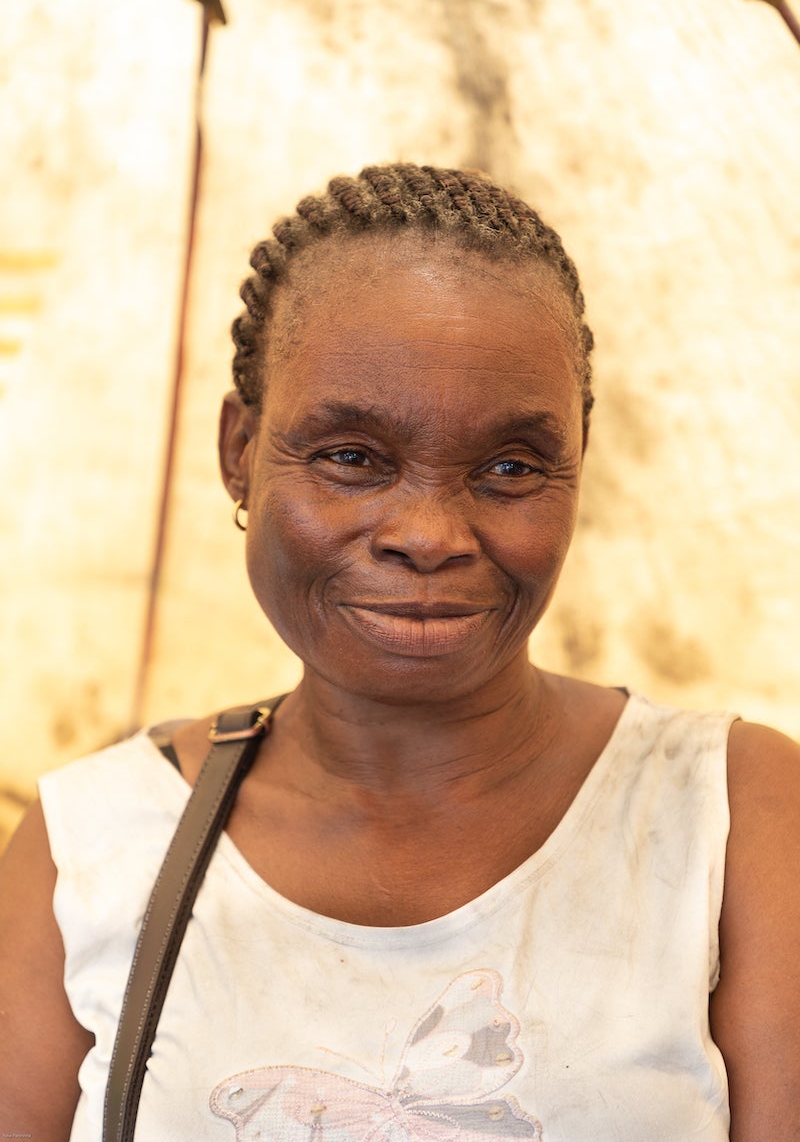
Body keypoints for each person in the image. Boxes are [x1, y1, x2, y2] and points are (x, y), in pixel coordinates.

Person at [0, 163, 798, 1142]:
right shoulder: (95, 844)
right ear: (238, 451)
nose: (426, 532)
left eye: (508, 467)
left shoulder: (727, 812)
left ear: (576, 466)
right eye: (351, 457)